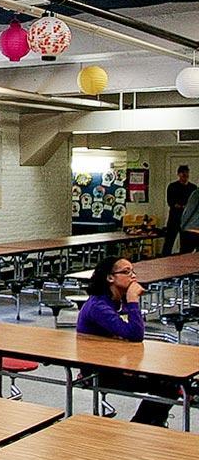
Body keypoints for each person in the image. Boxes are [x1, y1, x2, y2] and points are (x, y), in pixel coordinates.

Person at [76, 257, 173, 426]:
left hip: (114, 363)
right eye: (126, 272)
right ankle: (142, 424)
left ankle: (146, 423)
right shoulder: (99, 305)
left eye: (133, 271)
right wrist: (133, 299)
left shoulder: (113, 300)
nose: (133, 276)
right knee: (167, 385)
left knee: (169, 379)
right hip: (98, 372)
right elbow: (135, 334)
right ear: (110, 277)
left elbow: (128, 336)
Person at [163, 164, 196, 254]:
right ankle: (164, 257)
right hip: (175, 217)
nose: (185, 177)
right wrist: (183, 206)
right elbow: (171, 203)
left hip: (188, 219)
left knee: (186, 244)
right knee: (169, 240)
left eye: (186, 175)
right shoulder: (172, 187)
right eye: (183, 175)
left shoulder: (193, 188)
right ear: (178, 174)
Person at [179, 185, 199, 254]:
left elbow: (189, 210)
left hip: (191, 228)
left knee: (184, 257)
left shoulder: (196, 193)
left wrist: (182, 226)